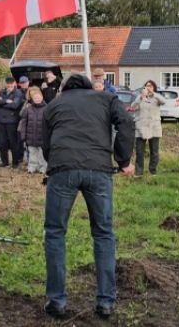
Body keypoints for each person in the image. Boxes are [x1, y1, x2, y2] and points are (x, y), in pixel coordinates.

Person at [41, 73, 134, 319]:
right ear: (90, 86)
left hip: (63, 170)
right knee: (103, 233)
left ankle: (56, 301)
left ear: (64, 89)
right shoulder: (106, 99)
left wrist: (56, 162)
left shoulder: (54, 105)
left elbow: (45, 144)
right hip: (99, 170)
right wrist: (123, 159)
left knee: (55, 232)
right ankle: (105, 302)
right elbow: (126, 122)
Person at [131, 80, 165, 176]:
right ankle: (139, 172)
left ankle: (152, 171)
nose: (148, 88)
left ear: (154, 87)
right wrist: (141, 97)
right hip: (141, 128)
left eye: (150, 86)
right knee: (139, 151)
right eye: (146, 86)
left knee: (154, 151)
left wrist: (153, 93)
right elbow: (133, 107)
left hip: (154, 127)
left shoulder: (156, 97)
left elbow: (164, 101)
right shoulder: (140, 97)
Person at [0, 77, 23, 168]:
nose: (9, 85)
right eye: (8, 83)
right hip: (1, 121)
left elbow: (15, 105)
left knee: (13, 142)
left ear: (14, 83)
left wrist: (2, 104)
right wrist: (6, 101)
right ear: (6, 83)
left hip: (12, 121)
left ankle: (15, 162)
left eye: (11, 83)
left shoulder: (18, 92)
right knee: (2, 142)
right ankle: (4, 162)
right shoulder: (2, 91)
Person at [18, 86, 47, 174]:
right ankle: (32, 168)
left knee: (42, 154)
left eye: (39, 98)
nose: (37, 99)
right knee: (32, 153)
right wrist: (23, 135)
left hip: (42, 137)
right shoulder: (28, 109)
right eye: (35, 98)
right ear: (32, 99)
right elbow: (24, 123)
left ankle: (43, 168)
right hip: (30, 136)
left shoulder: (46, 109)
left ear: (42, 97)